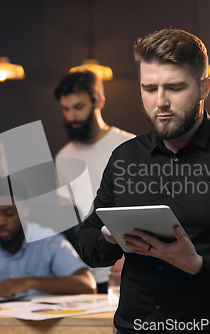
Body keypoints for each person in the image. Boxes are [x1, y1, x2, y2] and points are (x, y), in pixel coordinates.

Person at [77, 29, 210, 333]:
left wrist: (200, 265)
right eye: (149, 88)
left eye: (175, 88)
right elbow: (88, 245)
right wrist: (111, 236)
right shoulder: (125, 158)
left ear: (204, 88)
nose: (160, 102)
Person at [54, 70, 135, 293]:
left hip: (127, 267)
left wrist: (129, 256)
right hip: (85, 271)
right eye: (66, 109)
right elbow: (68, 221)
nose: (72, 117)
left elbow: (142, 209)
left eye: (78, 107)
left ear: (98, 101)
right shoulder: (63, 157)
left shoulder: (129, 147)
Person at [0, 199, 97, 297]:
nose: (1, 222)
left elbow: (87, 285)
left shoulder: (49, 241)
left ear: (24, 211)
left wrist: (30, 282)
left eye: (9, 214)